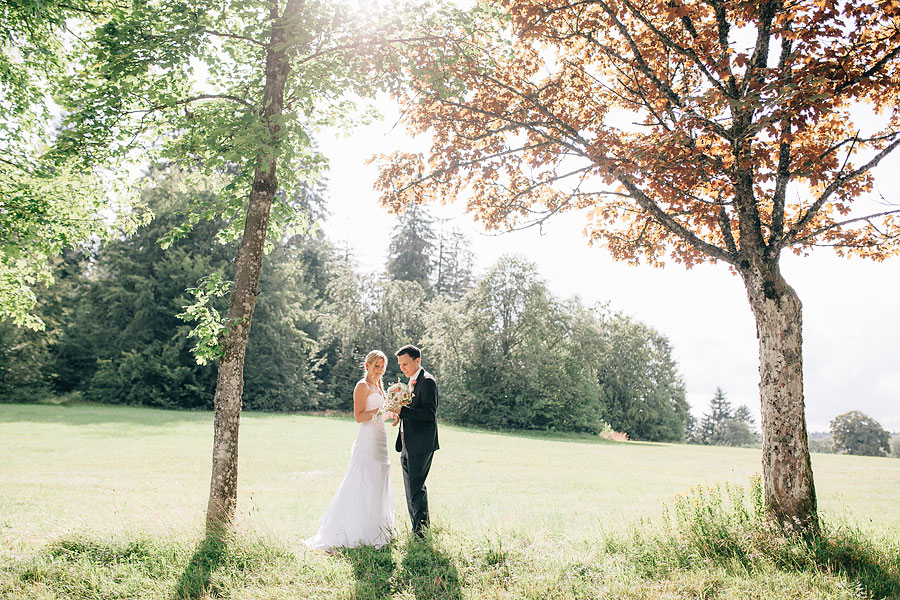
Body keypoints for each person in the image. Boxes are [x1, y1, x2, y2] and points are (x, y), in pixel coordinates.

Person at [305, 350, 394, 550]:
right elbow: (360, 416)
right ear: (367, 365)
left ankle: (379, 528)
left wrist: (392, 414)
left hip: (381, 438)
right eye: (376, 366)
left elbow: (380, 415)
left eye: (382, 367)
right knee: (365, 480)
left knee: (380, 478)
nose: (380, 370)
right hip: (367, 439)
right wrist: (381, 411)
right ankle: (359, 530)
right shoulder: (362, 386)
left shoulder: (380, 386)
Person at [392, 344, 439, 538]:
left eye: (405, 364)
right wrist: (399, 415)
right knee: (410, 488)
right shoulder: (411, 382)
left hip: (421, 444)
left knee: (416, 488)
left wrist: (402, 410)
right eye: (400, 365)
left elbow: (429, 414)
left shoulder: (427, 381)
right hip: (406, 442)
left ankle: (421, 533)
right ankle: (417, 528)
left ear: (417, 360)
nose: (402, 368)